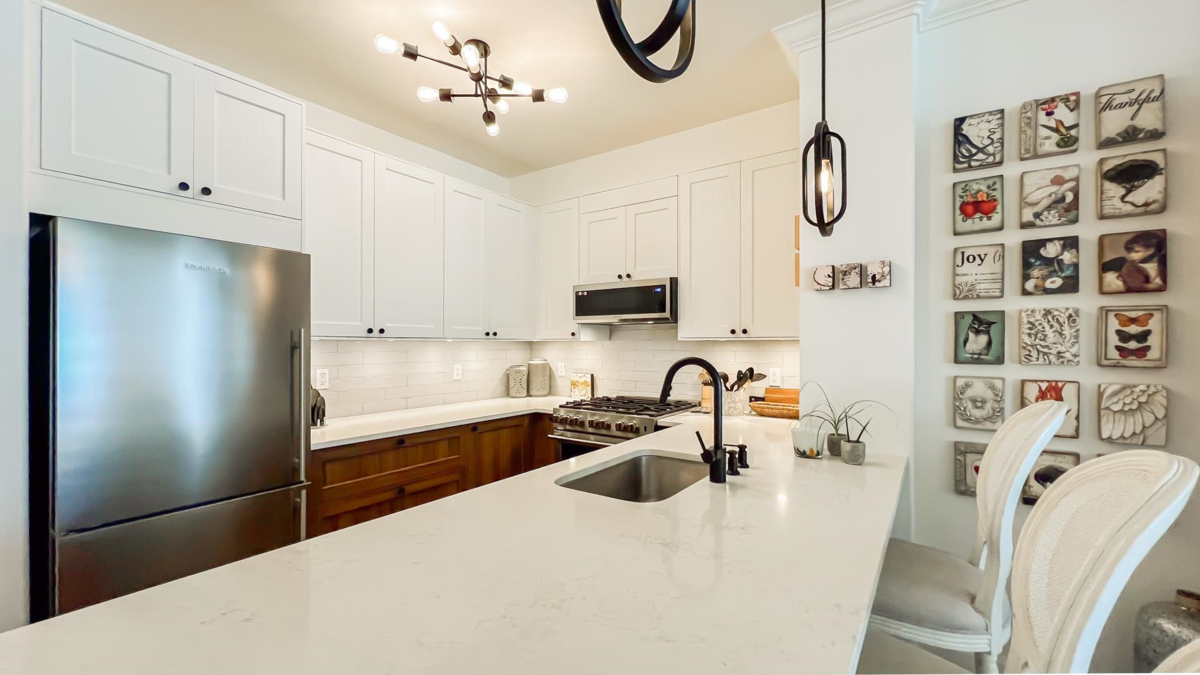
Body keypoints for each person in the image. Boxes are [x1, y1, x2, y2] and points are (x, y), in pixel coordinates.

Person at [1101, 230, 1166, 293]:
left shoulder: (1161, 262)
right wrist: (1151, 287)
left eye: (1136, 252)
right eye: (1130, 252)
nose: (1131, 255)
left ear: (1150, 250)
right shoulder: (1131, 266)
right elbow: (1134, 287)